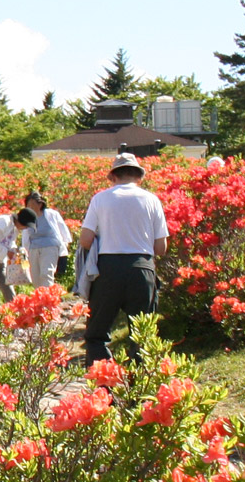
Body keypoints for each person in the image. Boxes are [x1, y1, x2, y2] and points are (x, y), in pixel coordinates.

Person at [76, 153, 169, 366]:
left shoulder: (101, 198)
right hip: (142, 268)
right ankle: (137, 390)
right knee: (142, 335)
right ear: (139, 177)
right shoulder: (151, 199)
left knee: (97, 334)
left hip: (108, 269)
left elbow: (85, 239)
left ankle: (105, 388)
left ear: (113, 177)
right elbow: (161, 248)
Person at [22, 192, 72, 287]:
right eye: (29, 205)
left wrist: (65, 243)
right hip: (33, 249)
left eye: (33, 205)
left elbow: (62, 229)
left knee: (46, 273)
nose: (31, 207)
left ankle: (48, 298)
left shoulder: (51, 214)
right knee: (35, 276)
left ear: (40, 204)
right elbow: (26, 236)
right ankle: (39, 297)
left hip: (50, 247)